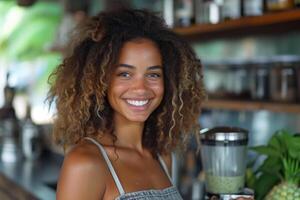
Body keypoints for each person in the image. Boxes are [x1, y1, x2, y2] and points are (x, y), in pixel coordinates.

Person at [48, 8, 205, 200]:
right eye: (125, 74)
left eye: (153, 74)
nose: (141, 88)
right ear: (100, 80)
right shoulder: (86, 163)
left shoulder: (163, 157)